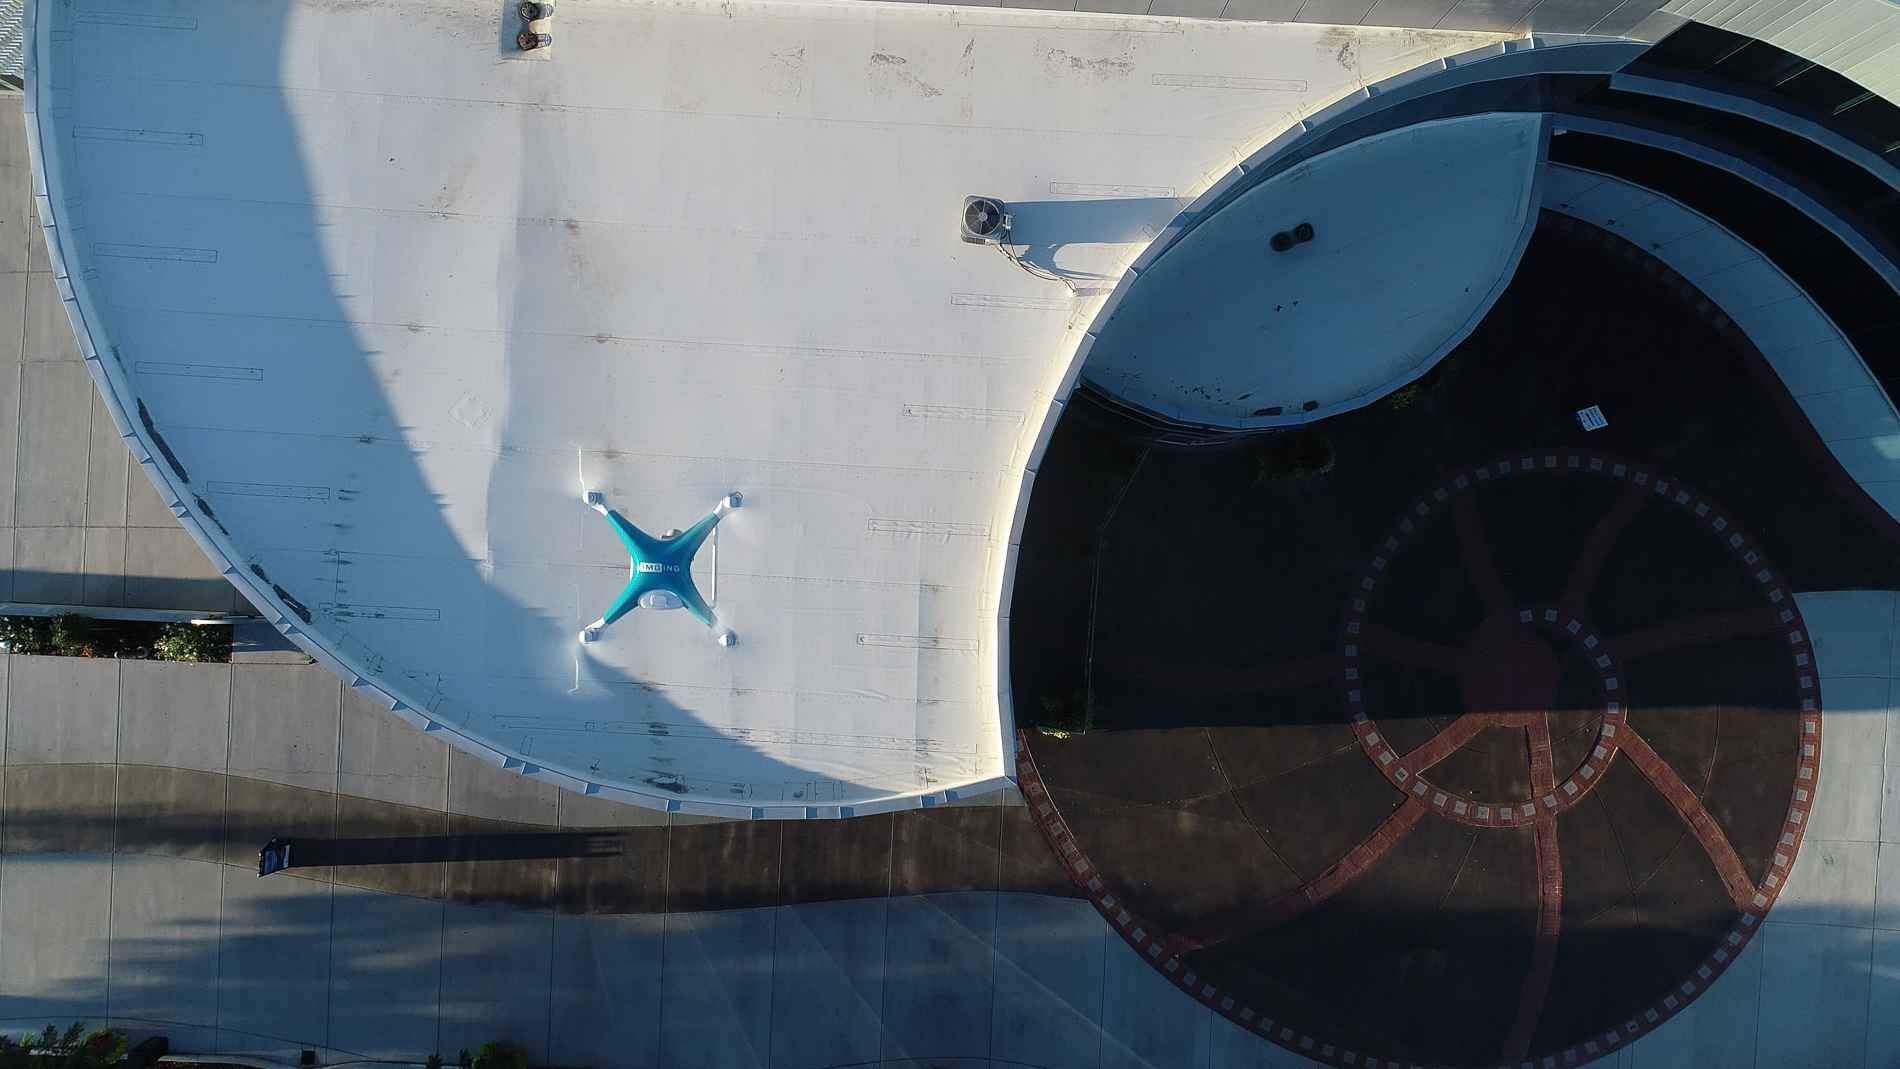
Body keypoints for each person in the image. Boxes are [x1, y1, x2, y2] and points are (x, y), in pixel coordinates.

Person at [578, 489, 741, 646]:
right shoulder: (678, 548)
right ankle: (725, 508)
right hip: (672, 583)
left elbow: (624, 530)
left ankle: (596, 631)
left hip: (661, 583)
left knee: (622, 605)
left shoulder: (670, 549)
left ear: (665, 537)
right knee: (697, 608)